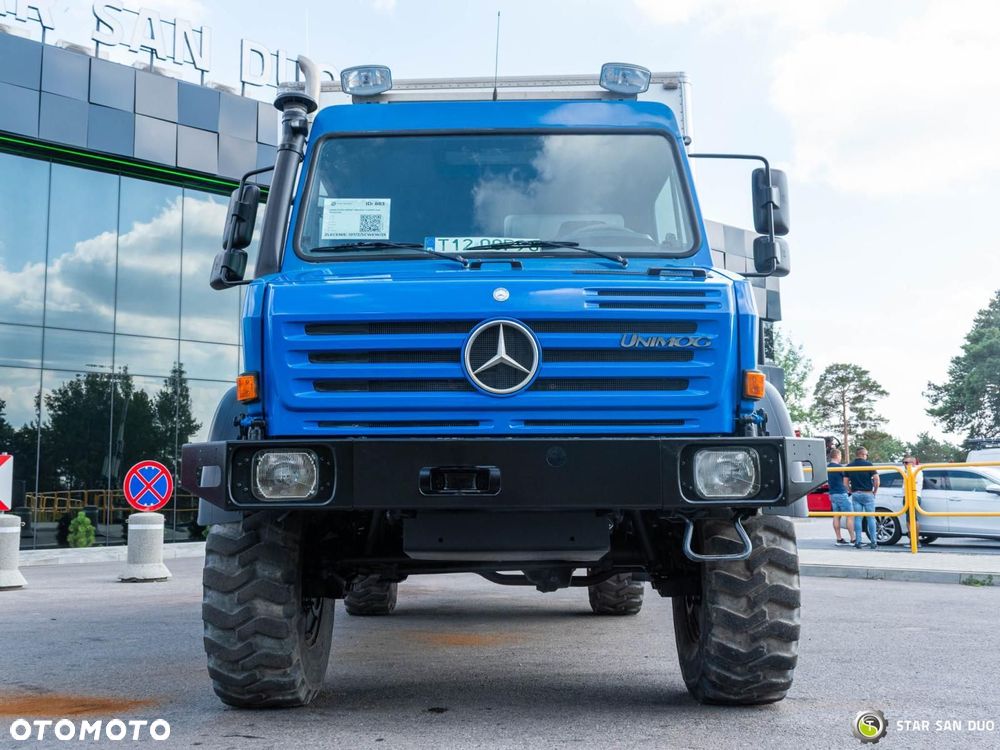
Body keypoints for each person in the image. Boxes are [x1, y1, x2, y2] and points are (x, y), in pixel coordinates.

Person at [848, 447, 879, 549]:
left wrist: (850, 490)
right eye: (866, 455)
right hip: (867, 493)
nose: (867, 456)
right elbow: (876, 479)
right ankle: (874, 542)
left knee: (858, 518)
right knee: (871, 518)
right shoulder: (869, 465)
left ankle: (858, 541)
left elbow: (845, 482)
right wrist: (875, 491)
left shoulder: (849, 466)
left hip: (856, 493)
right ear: (863, 454)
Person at [827, 448, 855, 545]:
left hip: (832, 494)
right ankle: (853, 539)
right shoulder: (840, 467)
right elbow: (846, 481)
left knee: (836, 516)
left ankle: (839, 539)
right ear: (838, 456)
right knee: (850, 515)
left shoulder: (827, 467)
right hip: (841, 493)